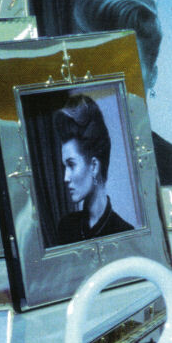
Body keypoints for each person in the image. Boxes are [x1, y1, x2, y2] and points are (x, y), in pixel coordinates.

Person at [70, 0, 172, 186]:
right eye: (95, 66)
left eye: (123, 70)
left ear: (152, 76)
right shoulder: (55, 156)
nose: (106, 84)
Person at [51, 94, 133, 244]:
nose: (65, 178)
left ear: (94, 166)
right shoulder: (66, 227)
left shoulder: (125, 233)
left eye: (71, 165)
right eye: (64, 167)